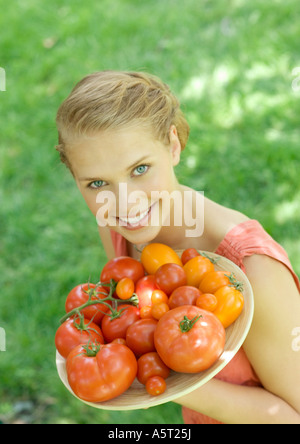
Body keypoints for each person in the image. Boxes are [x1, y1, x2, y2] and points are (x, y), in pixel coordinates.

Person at [55, 70, 300, 424]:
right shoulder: (118, 228)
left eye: (140, 169)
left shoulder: (254, 268)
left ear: (172, 145)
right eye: (96, 182)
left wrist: (168, 377)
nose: (125, 203)